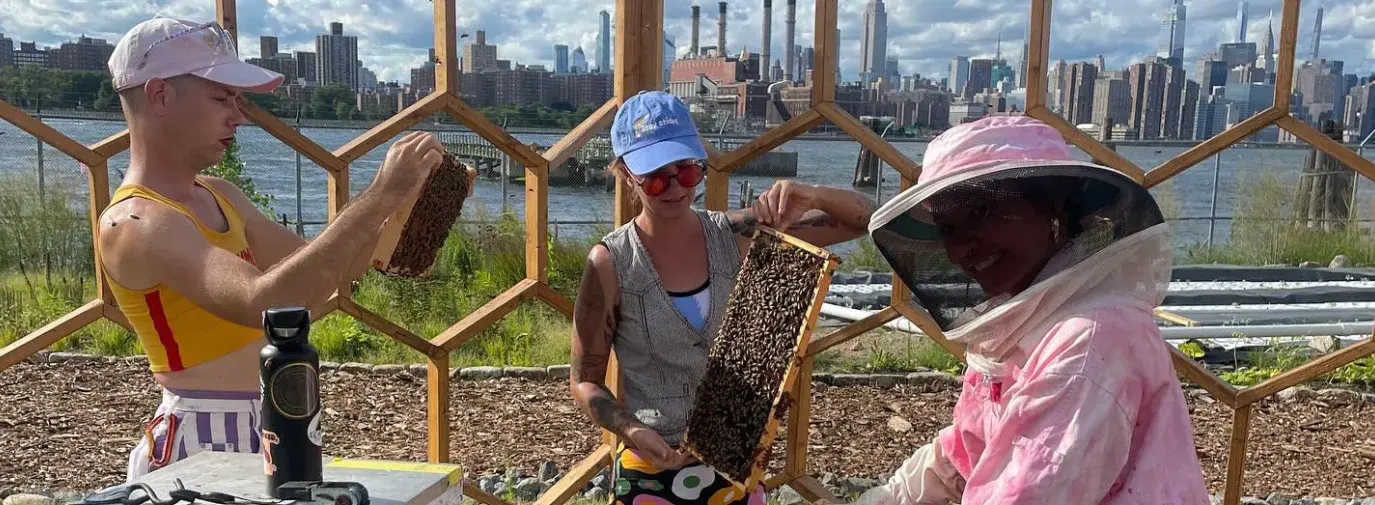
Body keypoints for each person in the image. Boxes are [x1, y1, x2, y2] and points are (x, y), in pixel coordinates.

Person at [98, 17, 472, 480]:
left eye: (237, 99)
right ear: (159, 96)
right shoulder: (134, 223)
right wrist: (379, 196)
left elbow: (330, 270)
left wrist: (412, 207)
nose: (238, 114)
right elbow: (269, 303)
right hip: (201, 439)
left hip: (275, 422)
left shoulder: (221, 195)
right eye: (221, 97)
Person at [849, 115, 1209, 504]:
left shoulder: (1091, 338)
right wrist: (884, 498)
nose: (961, 249)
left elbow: (1031, 490)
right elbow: (963, 454)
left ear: (1051, 205)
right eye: (948, 229)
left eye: (981, 213)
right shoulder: (1020, 326)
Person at [568, 90, 877, 505]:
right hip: (648, 471)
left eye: (687, 170)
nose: (675, 186)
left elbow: (864, 220)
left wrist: (813, 194)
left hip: (738, 460)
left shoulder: (736, 236)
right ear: (626, 175)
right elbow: (586, 378)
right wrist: (631, 430)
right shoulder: (609, 263)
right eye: (656, 176)